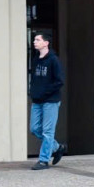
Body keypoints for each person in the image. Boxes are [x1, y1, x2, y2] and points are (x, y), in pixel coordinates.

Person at [29, 33, 64, 170]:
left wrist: (45, 91)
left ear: (46, 43)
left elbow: (59, 81)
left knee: (47, 131)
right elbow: (34, 79)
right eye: (34, 40)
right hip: (37, 100)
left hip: (51, 101)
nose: (34, 42)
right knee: (34, 128)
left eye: (38, 40)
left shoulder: (53, 60)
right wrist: (34, 92)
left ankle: (43, 160)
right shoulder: (36, 59)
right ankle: (57, 147)